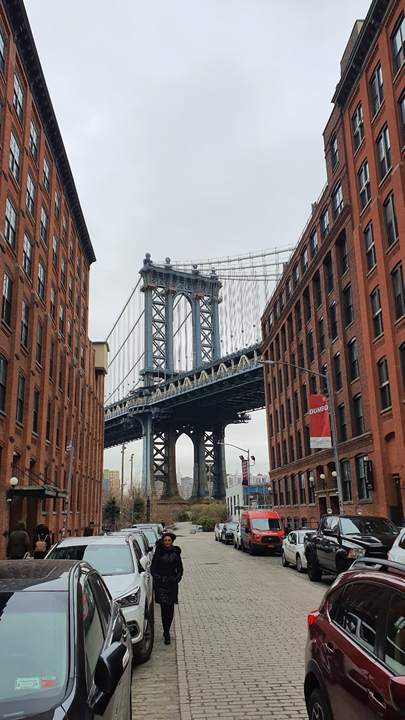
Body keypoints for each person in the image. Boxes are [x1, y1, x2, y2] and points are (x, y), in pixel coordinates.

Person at [150, 531, 183, 645]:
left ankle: (168, 627)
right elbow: (153, 569)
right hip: (161, 584)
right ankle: (166, 632)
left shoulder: (176, 553)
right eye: (165, 540)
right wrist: (159, 578)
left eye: (169, 541)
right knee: (164, 608)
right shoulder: (158, 553)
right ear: (163, 541)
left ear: (172, 541)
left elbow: (180, 569)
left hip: (172, 584)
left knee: (171, 608)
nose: (167, 542)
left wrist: (176, 578)